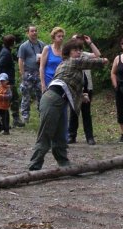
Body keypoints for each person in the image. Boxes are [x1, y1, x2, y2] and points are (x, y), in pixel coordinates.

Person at [28, 40, 108, 171]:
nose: (79, 52)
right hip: (52, 100)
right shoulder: (72, 61)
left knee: (60, 135)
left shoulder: (67, 65)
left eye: (80, 50)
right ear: (68, 52)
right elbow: (97, 62)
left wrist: (81, 96)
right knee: (46, 133)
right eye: (75, 50)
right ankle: (34, 166)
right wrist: (104, 60)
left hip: (59, 100)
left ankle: (64, 163)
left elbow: (68, 84)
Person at [68, 34, 101, 145]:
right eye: (75, 40)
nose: (78, 42)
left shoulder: (85, 55)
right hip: (74, 87)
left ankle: (89, 137)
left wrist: (90, 42)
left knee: (86, 112)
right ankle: (71, 135)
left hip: (87, 87)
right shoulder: (69, 56)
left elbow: (98, 55)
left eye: (79, 40)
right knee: (73, 111)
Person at [17, 25, 45, 124]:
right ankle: (25, 116)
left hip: (39, 73)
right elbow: (20, 60)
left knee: (41, 95)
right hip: (28, 73)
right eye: (32, 31)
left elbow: (46, 57)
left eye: (35, 31)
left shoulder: (42, 44)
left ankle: (42, 115)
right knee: (26, 96)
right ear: (27, 33)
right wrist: (22, 74)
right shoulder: (24, 46)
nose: (34, 33)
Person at [0, 34, 24, 127]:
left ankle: (10, 120)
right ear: (11, 42)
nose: (15, 42)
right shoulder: (6, 53)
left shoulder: (6, 51)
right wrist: (4, 79)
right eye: (14, 41)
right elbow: (0, 65)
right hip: (8, 81)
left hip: (8, 80)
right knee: (11, 100)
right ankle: (9, 121)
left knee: (11, 99)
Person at [40, 27, 65, 93]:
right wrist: (43, 85)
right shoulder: (47, 49)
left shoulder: (64, 50)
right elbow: (41, 67)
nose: (61, 38)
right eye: (59, 36)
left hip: (60, 81)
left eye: (62, 36)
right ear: (53, 38)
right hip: (48, 81)